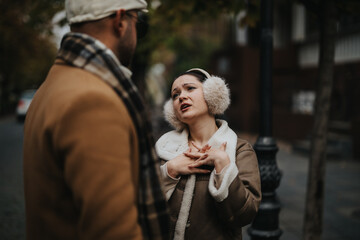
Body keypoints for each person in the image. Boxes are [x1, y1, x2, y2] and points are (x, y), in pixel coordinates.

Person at [23, 0, 169, 239]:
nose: (136, 34)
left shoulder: (49, 87)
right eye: (138, 23)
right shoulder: (93, 101)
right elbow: (114, 231)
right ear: (120, 21)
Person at [155, 68, 262, 240]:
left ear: (212, 94)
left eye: (190, 88)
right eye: (175, 95)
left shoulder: (239, 150)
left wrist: (223, 167)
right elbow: (142, 203)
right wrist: (170, 170)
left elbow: (245, 215)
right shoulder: (164, 149)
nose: (181, 96)